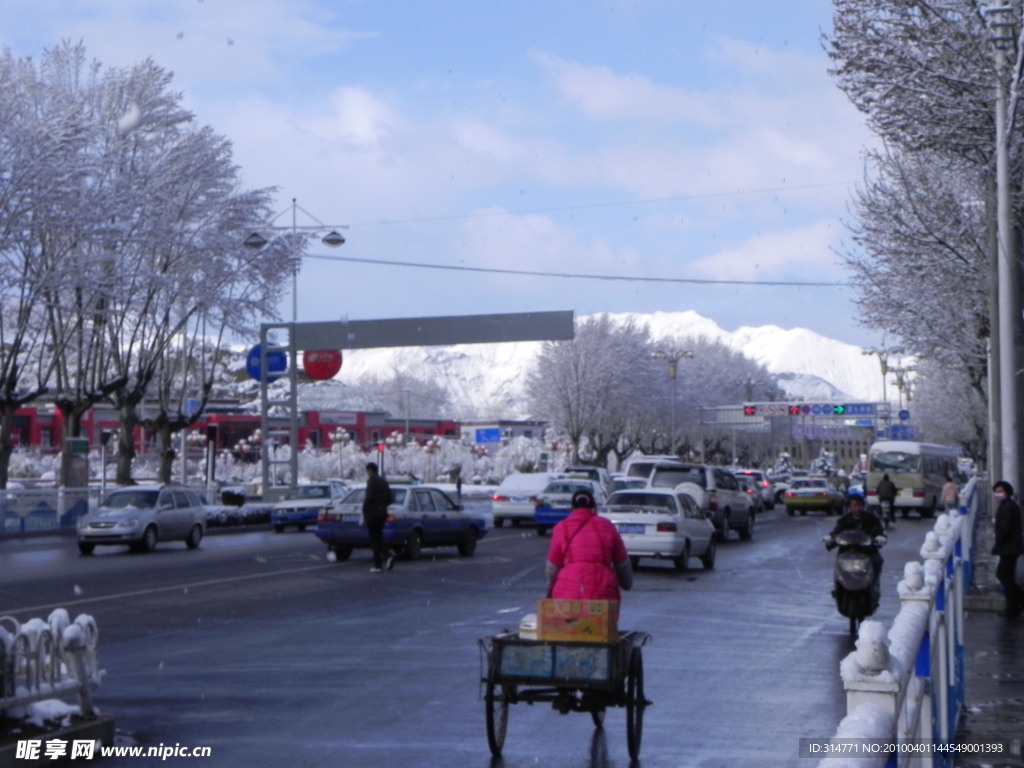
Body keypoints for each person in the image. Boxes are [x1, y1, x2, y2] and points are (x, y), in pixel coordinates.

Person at [545, 489, 633, 600]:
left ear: (572, 508)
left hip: (567, 591)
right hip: (603, 590)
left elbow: (552, 566)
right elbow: (622, 562)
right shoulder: (607, 526)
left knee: (567, 614)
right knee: (603, 614)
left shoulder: (561, 528)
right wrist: (627, 584)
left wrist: (550, 587)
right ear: (593, 507)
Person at [826, 492, 885, 580]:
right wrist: (831, 539)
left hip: (867, 551)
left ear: (864, 506)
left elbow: (879, 532)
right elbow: (837, 532)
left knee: (877, 561)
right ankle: (839, 587)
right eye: (854, 505)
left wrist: (879, 538)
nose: (857, 508)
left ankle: (874, 584)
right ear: (849, 507)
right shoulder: (844, 520)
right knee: (839, 565)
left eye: (860, 505)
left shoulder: (872, 519)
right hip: (847, 551)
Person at [991, 481, 1024, 618]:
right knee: (1005, 576)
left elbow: (1005, 529)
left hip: (1009, 547)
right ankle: (1015, 604)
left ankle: (1014, 606)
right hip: (1009, 547)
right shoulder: (1007, 505)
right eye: (996, 491)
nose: (998, 494)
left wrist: (998, 543)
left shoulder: (1008, 507)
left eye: (1001, 491)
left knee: (1004, 576)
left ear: (1007, 492)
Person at [362, 462, 394, 573]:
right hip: (382, 513)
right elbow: (390, 498)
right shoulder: (383, 481)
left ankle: (379, 564)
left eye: (367, 470)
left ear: (370, 470)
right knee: (379, 536)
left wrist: (365, 509)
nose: (366, 473)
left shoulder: (371, 481)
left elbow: (369, 497)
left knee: (374, 539)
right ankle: (386, 557)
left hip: (372, 513)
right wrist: (382, 506)